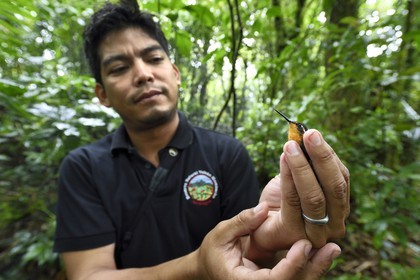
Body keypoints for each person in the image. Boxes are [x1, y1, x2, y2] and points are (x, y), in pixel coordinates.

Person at [54, 1, 350, 279]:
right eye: (119, 68)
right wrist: (198, 265)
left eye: (154, 58)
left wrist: (278, 236)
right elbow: (89, 275)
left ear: (175, 73)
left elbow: (250, 254)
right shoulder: (83, 167)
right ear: (102, 94)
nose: (143, 74)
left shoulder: (227, 154)